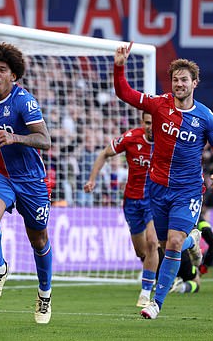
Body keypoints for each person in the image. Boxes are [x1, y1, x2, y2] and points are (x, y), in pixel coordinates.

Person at [112, 43, 213, 319]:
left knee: (173, 242)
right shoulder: (158, 104)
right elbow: (124, 93)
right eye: (175, 79)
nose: (179, 84)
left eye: (184, 80)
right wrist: (119, 66)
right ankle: (193, 240)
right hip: (157, 187)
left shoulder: (205, 117)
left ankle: (156, 303)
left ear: (194, 83)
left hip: (187, 191)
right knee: (166, 244)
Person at [0, 42, 53, 324]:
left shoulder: (24, 102)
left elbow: (45, 140)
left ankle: (44, 295)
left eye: (2, 70)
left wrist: (15, 137)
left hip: (30, 180)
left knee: (38, 240)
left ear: (13, 75)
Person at [83, 112, 159, 307]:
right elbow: (104, 154)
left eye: (155, 122)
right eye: (148, 123)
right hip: (132, 201)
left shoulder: (167, 142)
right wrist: (92, 179)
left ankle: (145, 292)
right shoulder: (131, 138)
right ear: (143, 122)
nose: (151, 126)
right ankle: (155, 275)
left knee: (152, 242)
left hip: (155, 200)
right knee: (142, 252)